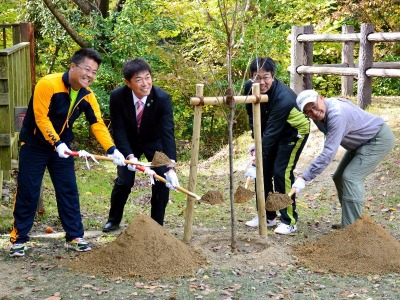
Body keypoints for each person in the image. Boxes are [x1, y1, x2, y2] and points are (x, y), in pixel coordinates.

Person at [10, 48, 126, 257]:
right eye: (87, 69)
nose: (90, 75)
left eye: (94, 72)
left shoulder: (88, 95)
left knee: (68, 190)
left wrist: (112, 149)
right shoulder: (48, 84)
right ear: (73, 66)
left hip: (62, 148)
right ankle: (19, 239)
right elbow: (40, 118)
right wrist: (57, 143)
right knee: (29, 189)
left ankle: (73, 236)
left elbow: (97, 124)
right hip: (34, 144)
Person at [293, 90, 395, 228]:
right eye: (308, 111)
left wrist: (305, 177)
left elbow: (329, 152)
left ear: (321, 98)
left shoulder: (337, 114)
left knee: (351, 177)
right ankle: (350, 221)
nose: (314, 112)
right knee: (339, 177)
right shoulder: (321, 115)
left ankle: (352, 230)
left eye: (314, 106)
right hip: (359, 143)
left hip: (377, 139)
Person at [102, 58, 179, 232]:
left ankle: (156, 225)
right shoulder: (117, 97)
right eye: (138, 80)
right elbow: (119, 130)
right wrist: (129, 157)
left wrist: (170, 166)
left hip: (154, 143)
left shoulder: (162, 98)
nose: (145, 83)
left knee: (162, 179)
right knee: (124, 181)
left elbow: (167, 132)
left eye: (147, 77)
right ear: (128, 83)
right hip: (128, 143)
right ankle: (113, 219)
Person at [244, 57, 310, 235]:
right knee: (262, 172)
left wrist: (258, 156)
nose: (261, 82)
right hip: (271, 131)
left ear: (273, 76)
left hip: (292, 133)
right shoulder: (249, 88)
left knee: (281, 172)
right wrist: (255, 142)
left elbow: (273, 131)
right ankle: (267, 215)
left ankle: (289, 220)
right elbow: (253, 118)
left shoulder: (283, 98)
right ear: (251, 77)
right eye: (257, 77)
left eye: (265, 77)